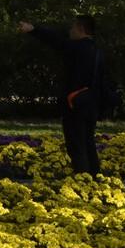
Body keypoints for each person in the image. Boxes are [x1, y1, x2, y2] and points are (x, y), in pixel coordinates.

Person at [18, 15, 103, 177]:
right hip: (91, 104)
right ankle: (95, 178)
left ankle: (83, 181)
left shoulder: (77, 48)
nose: (70, 31)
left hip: (75, 103)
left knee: (76, 144)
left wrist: (33, 29)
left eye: (73, 28)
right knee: (88, 142)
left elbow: (56, 41)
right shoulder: (97, 50)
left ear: (81, 29)